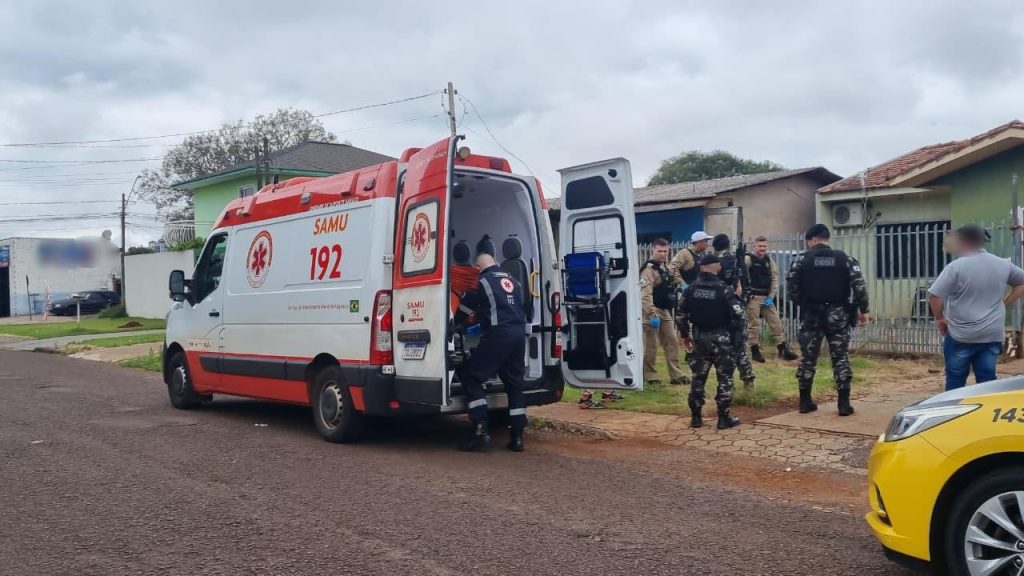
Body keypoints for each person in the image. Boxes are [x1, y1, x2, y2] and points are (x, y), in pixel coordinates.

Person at [928, 224, 1024, 391]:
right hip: (991, 334)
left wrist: (939, 318)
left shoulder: (956, 267)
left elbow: (935, 295)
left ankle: (955, 412)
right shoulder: (1001, 264)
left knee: (956, 381)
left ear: (962, 240)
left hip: (961, 335)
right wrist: (1005, 302)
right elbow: (1021, 282)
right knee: (987, 382)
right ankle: (986, 413)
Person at [786, 224, 869, 416]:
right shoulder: (845, 259)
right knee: (840, 357)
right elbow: (859, 286)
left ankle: (805, 402)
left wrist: (804, 304)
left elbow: (792, 288)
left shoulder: (801, 261)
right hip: (838, 314)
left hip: (811, 315)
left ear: (813, 240)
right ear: (826, 238)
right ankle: (843, 404)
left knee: (808, 358)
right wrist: (863, 309)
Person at [455, 252, 528, 452]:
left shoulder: (481, 281)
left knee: (471, 375)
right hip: (519, 334)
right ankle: (517, 438)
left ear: (477, 268)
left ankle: (480, 430)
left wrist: (453, 324)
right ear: (496, 263)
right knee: (514, 384)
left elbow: (463, 310)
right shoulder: (514, 281)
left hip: (498, 335)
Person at [675, 254, 744, 430]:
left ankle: (696, 418)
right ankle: (723, 418)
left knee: (698, 378)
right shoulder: (725, 290)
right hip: (722, 339)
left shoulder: (690, 289)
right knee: (725, 378)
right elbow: (738, 315)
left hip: (699, 339)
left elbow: (681, 316)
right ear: (716, 267)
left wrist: (685, 336)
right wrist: (737, 339)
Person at [641, 238, 688, 386]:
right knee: (651, 345)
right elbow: (645, 294)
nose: (662, 254)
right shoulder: (648, 270)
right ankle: (650, 376)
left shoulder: (664, 268)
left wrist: (681, 286)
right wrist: (651, 313)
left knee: (672, 341)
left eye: (665, 251)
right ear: (653, 250)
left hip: (664, 309)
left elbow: (671, 281)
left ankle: (676, 375)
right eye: (659, 251)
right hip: (652, 310)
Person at [710, 233, 755, 389]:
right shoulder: (738, 261)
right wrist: (742, 303)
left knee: (723, 349)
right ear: (728, 245)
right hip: (738, 309)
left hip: (719, 312)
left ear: (714, 247)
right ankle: (748, 381)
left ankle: (727, 383)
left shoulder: (715, 263)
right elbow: (748, 286)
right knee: (740, 346)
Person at [744, 236, 799, 362]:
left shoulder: (769, 261)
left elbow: (774, 279)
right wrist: (747, 294)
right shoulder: (748, 259)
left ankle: (783, 350)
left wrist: (771, 296)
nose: (762, 248)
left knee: (776, 323)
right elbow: (742, 277)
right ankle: (755, 351)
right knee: (753, 325)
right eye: (760, 246)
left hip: (766, 297)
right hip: (753, 297)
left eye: (764, 246)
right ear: (754, 246)